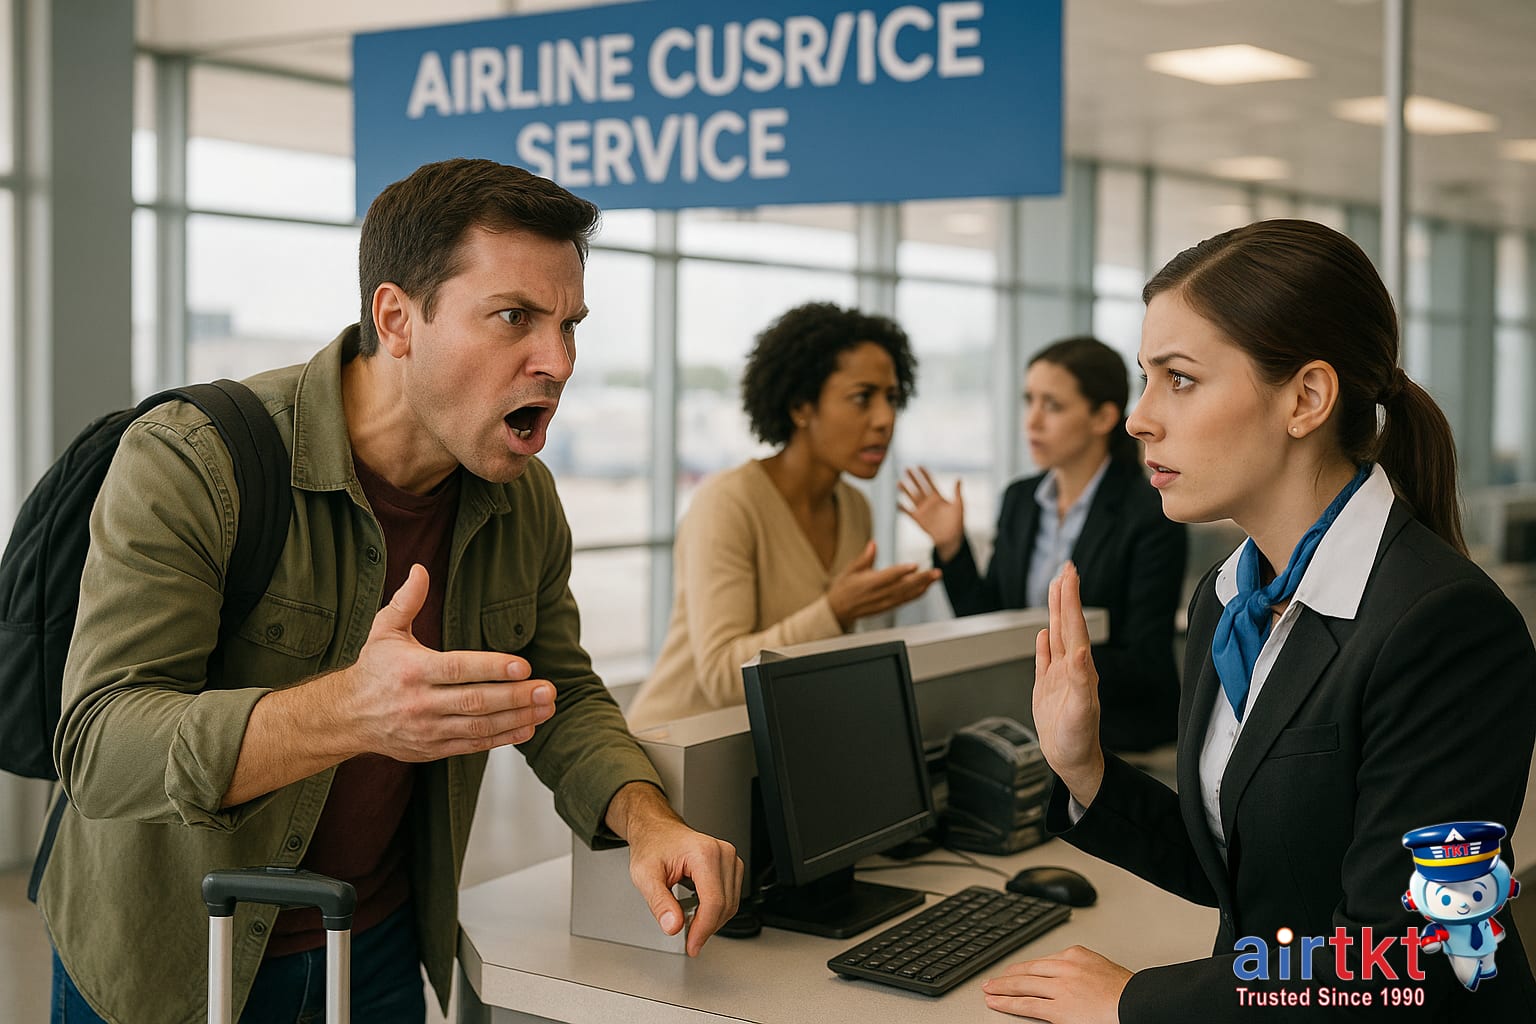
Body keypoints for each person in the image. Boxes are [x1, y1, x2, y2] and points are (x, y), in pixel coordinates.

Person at [41, 158, 742, 1023]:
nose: (557, 361)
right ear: (397, 318)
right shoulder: (194, 459)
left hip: (373, 944)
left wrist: (644, 815)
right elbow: (102, 747)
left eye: (570, 325)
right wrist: (349, 713)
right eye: (514, 317)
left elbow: (555, 691)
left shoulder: (522, 499)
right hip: (174, 960)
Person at [983, 220, 1536, 1022]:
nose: (1140, 419)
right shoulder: (1227, 598)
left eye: (1179, 379)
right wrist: (1085, 770)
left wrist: (1132, 1002)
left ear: (1306, 398)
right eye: (1146, 377)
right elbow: (1252, 868)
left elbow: (1415, 963)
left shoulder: (1442, 625)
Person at [625, 302, 941, 732]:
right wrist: (836, 611)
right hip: (678, 753)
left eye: (892, 398)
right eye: (862, 398)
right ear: (800, 406)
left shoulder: (853, 507)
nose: (885, 419)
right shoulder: (728, 502)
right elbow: (720, 676)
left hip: (767, 752)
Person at [900, 336, 1186, 751]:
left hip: (1119, 735)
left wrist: (1037, 662)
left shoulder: (1149, 511)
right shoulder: (1020, 500)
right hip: (1028, 724)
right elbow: (989, 620)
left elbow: (1145, 661)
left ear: (1103, 417)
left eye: (1052, 405)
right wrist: (950, 547)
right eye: (1029, 400)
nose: (1032, 421)